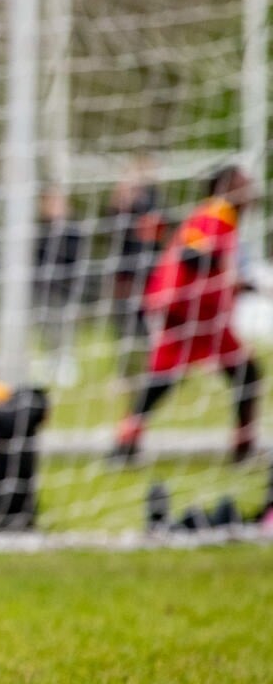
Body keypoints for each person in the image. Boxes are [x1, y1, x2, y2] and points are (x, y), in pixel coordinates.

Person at [113, 165, 263, 465]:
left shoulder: (223, 220)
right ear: (227, 187)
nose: (250, 192)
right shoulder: (214, 214)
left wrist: (242, 283)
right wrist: (227, 273)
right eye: (244, 184)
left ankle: (126, 443)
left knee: (241, 372)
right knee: (172, 377)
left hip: (203, 314)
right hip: (186, 311)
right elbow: (192, 254)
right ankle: (125, 443)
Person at [106, 155, 165, 383]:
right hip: (125, 273)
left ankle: (150, 370)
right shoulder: (122, 205)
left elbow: (155, 235)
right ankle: (127, 372)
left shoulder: (152, 202)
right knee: (124, 323)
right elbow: (113, 226)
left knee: (145, 323)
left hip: (147, 273)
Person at [33, 184, 85, 386]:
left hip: (66, 287)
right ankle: (50, 361)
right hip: (45, 288)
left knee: (65, 327)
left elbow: (76, 259)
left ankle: (66, 363)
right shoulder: (40, 229)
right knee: (48, 327)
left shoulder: (73, 230)